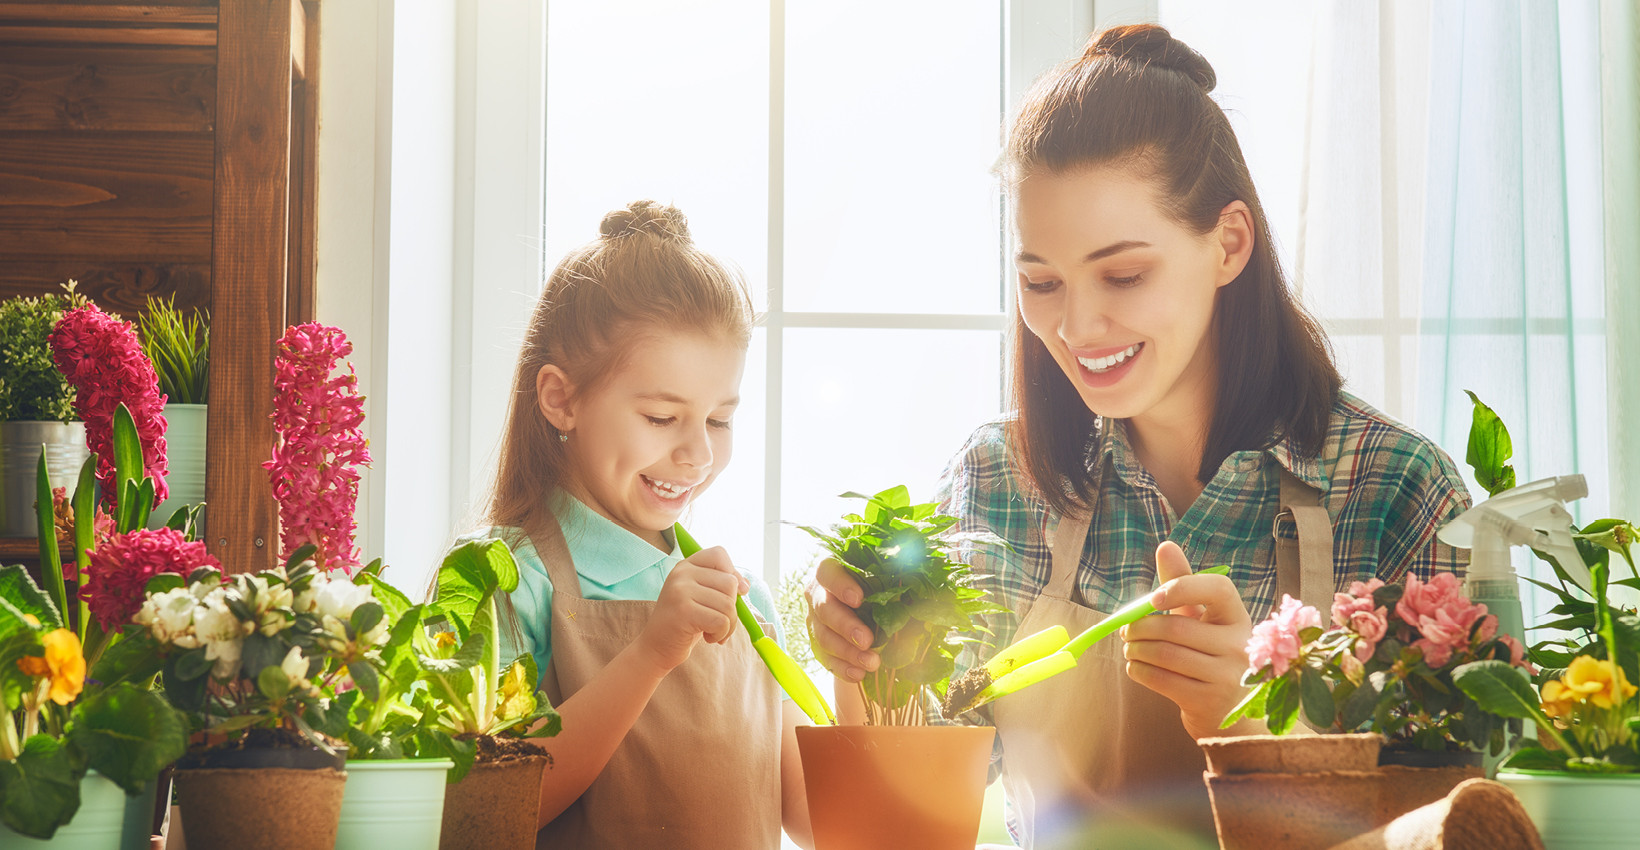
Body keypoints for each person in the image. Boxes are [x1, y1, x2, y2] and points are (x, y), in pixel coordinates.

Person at [807, 24, 1471, 849]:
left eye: (1123, 274)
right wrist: (864, 663)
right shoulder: (996, 483)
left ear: (1228, 243)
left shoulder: (1396, 490)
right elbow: (896, 822)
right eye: (1040, 281)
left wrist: (1258, 719)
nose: (1076, 325)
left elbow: (1460, 819)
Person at [457, 200, 810, 849]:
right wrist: (651, 653)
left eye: (719, 419)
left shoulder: (747, 601)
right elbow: (485, 815)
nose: (699, 454)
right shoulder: (501, 577)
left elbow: (821, 823)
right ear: (561, 399)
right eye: (660, 416)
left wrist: (867, 662)